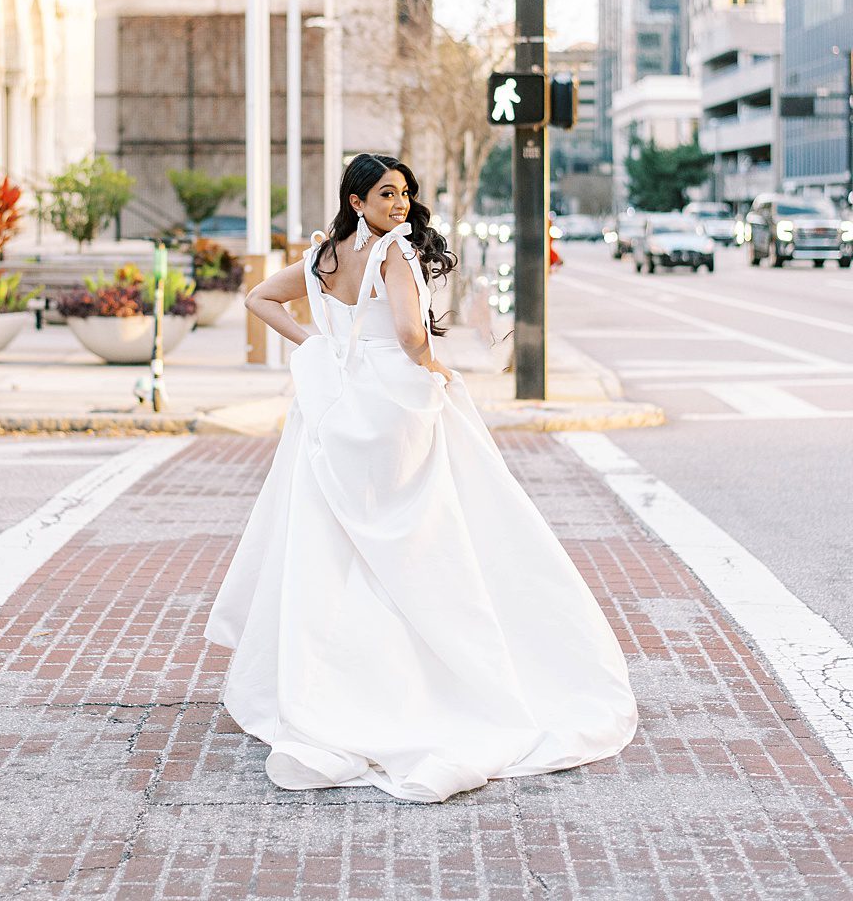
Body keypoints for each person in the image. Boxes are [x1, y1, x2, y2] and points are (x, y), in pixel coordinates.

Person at [205, 152, 635, 803]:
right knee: (431, 540)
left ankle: (339, 685)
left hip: (336, 406)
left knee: (334, 549)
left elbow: (259, 297)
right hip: (395, 404)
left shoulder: (325, 257)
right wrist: (436, 369)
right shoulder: (396, 256)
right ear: (357, 201)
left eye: (405, 193)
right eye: (386, 193)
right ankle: (432, 681)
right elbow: (409, 335)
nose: (400, 205)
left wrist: (318, 345)